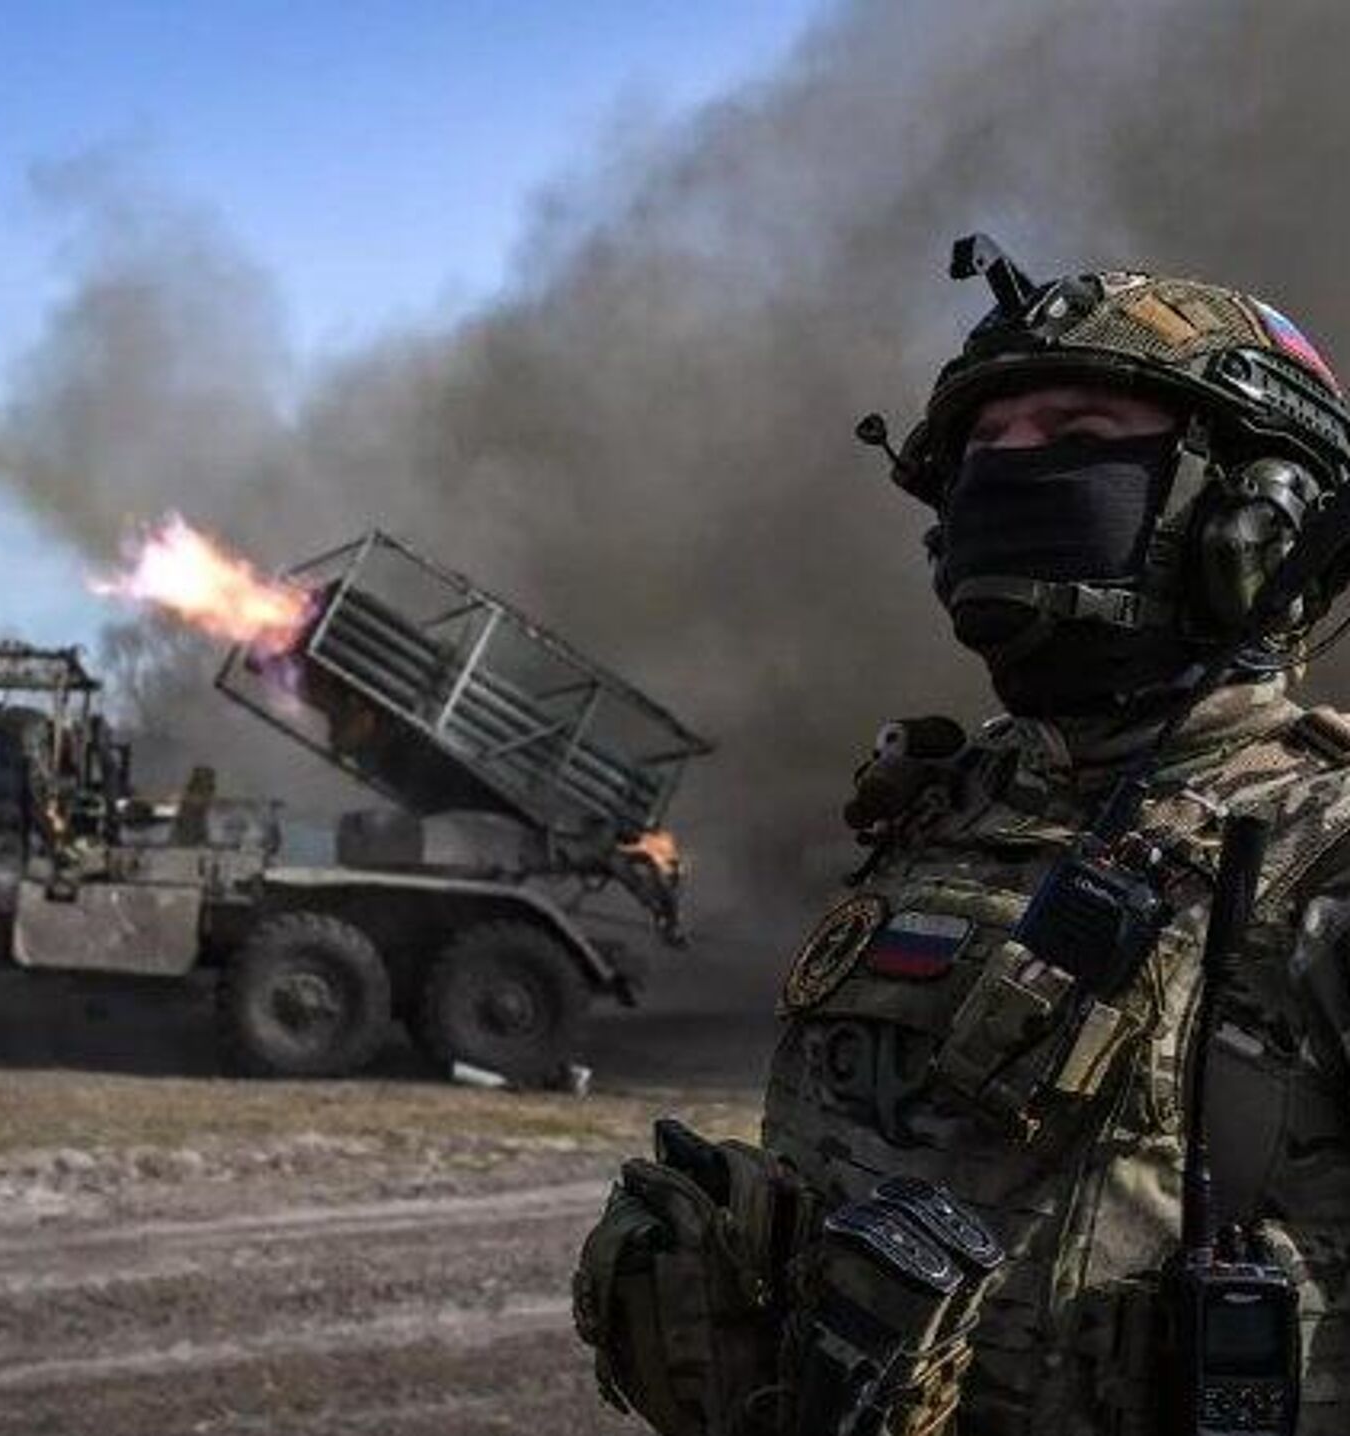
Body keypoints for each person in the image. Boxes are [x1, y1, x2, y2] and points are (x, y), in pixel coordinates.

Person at [572, 237, 1350, 1435]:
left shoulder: (1319, 848)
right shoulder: (949, 802)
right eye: (986, 450)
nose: (1009, 477)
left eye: (1076, 435)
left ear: (1257, 522)